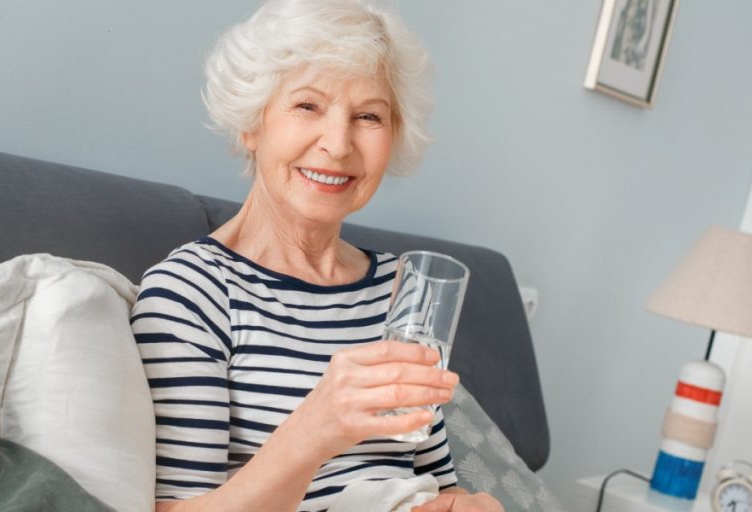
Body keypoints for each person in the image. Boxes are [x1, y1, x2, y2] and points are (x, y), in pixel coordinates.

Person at [131, 1, 503, 510]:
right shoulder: (191, 292)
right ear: (251, 123)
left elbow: (434, 482)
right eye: (308, 106)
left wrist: (465, 504)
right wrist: (315, 428)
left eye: (368, 116)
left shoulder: (401, 288)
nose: (338, 143)